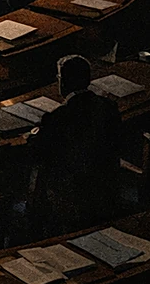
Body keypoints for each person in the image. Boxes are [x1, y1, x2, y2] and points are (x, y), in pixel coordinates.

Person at [31, 55, 121, 236]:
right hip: (104, 185)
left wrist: (34, 136)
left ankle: (35, 224)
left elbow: (39, 153)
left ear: (62, 82)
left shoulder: (57, 117)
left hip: (70, 191)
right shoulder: (109, 107)